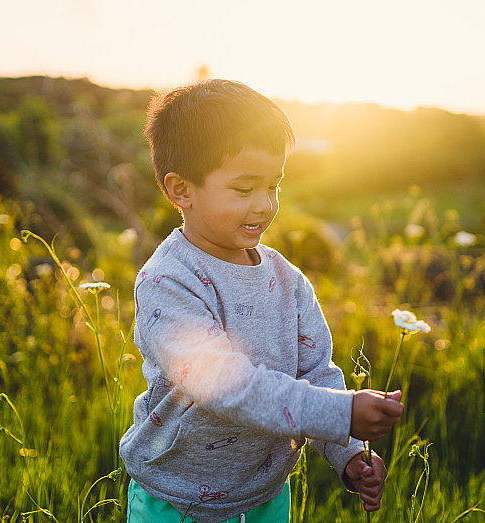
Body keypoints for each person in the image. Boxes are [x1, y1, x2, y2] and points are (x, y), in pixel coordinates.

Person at [119, 79, 404, 523]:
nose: (264, 205)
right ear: (181, 190)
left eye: (274, 185)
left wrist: (346, 450)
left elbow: (317, 375)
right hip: (174, 502)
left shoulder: (286, 281)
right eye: (244, 188)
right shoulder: (166, 283)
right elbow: (222, 384)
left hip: (266, 497)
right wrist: (341, 413)